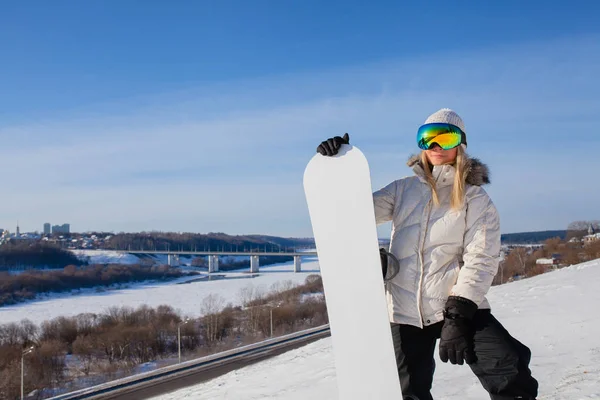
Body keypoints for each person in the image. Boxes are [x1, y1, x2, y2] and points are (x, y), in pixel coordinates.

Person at [316, 108, 539, 400]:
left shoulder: (476, 198)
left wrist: (457, 317)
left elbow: (481, 259)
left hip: (456, 306)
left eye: (444, 138)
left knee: (509, 371)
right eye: (427, 138)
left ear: (460, 144)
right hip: (404, 310)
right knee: (406, 392)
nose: (435, 146)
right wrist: (337, 169)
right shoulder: (402, 190)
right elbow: (353, 213)